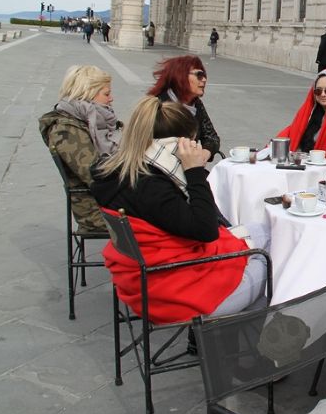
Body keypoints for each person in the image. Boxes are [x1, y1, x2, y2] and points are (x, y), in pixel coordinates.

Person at [91, 97, 270, 324]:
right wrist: (194, 171)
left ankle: (230, 340)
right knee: (268, 258)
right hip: (173, 292)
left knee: (262, 230)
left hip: (146, 279)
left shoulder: (120, 173)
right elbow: (207, 229)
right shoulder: (151, 186)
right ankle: (233, 341)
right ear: (179, 144)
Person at [38, 65, 123, 235]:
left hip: (109, 197)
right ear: (87, 94)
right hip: (96, 209)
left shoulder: (91, 120)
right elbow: (95, 175)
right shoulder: (66, 130)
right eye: (106, 94)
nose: (111, 98)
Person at [147, 55, 220, 160]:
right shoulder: (160, 104)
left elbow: (212, 137)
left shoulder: (196, 104)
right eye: (199, 75)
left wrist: (205, 153)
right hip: (160, 168)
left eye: (204, 75)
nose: (204, 79)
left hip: (189, 166)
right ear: (181, 76)